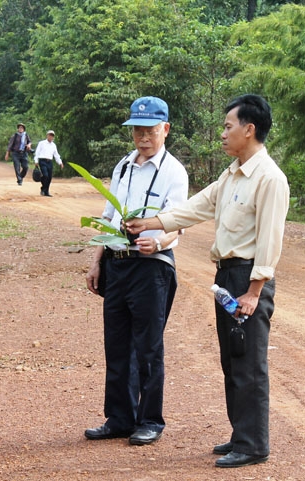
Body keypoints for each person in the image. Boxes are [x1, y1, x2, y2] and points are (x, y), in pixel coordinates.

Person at [126, 94, 290, 467]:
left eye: (228, 126)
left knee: (249, 363)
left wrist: (254, 291)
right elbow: (194, 207)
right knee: (233, 360)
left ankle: (253, 445)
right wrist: (149, 222)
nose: (222, 133)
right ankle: (240, 435)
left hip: (248, 279)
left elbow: (269, 240)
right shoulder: (231, 174)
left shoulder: (269, 179)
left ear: (249, 130)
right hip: (227, 276)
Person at [84, 96, 189, 446]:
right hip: (118, 264)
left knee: (147, 347)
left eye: (150, 130)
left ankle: (150, 420)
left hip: (151, 269)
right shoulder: (124, 166)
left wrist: (157, 243)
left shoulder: (174, 171)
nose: (143, 137)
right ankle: (119, 418)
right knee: (116, 345)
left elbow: (178, 223)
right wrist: (97, 260)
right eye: (137, 130)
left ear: (166, 130)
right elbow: (109, 216)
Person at [34, 130, 63, 196]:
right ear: (47, 135)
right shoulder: (42, 143)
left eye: (52, 136)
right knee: (45, 175)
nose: (51, 137)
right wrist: (36, 161)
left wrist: (60, 162)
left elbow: (56, 155)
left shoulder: (53, 145)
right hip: (42, 161)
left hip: (49, 161)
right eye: (50, 135)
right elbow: (37, 152)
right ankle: (43, 188)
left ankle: (46, 191)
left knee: (49, 177)